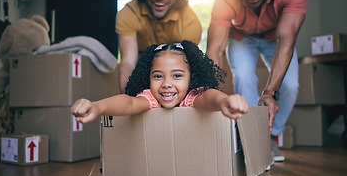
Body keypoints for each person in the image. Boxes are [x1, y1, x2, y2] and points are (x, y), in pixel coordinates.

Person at [206, 0, 308, 162]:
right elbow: (215, 50)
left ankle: (270, 135)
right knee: (244, 77)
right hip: (242, 37)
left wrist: (269, 92)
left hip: (276, 37)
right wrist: (211, 94)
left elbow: (286, 40)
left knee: (290, 85)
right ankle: (252, 138)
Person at [71, 41, 248, 124]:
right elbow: (129, 102)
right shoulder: (152, 99)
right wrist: (97, 107)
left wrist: (224, 101)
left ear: (192, 77)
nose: (166, 84)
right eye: (157, 76)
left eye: (177, 76)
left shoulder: (191, 97)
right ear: (148, 78)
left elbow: (208, 97)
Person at [116, 0, 202, 93]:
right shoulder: (128, 13)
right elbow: (128, 62)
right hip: (141, 72)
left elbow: (186, 70)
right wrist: (128, 99)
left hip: (173, 76)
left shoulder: (190, 21)